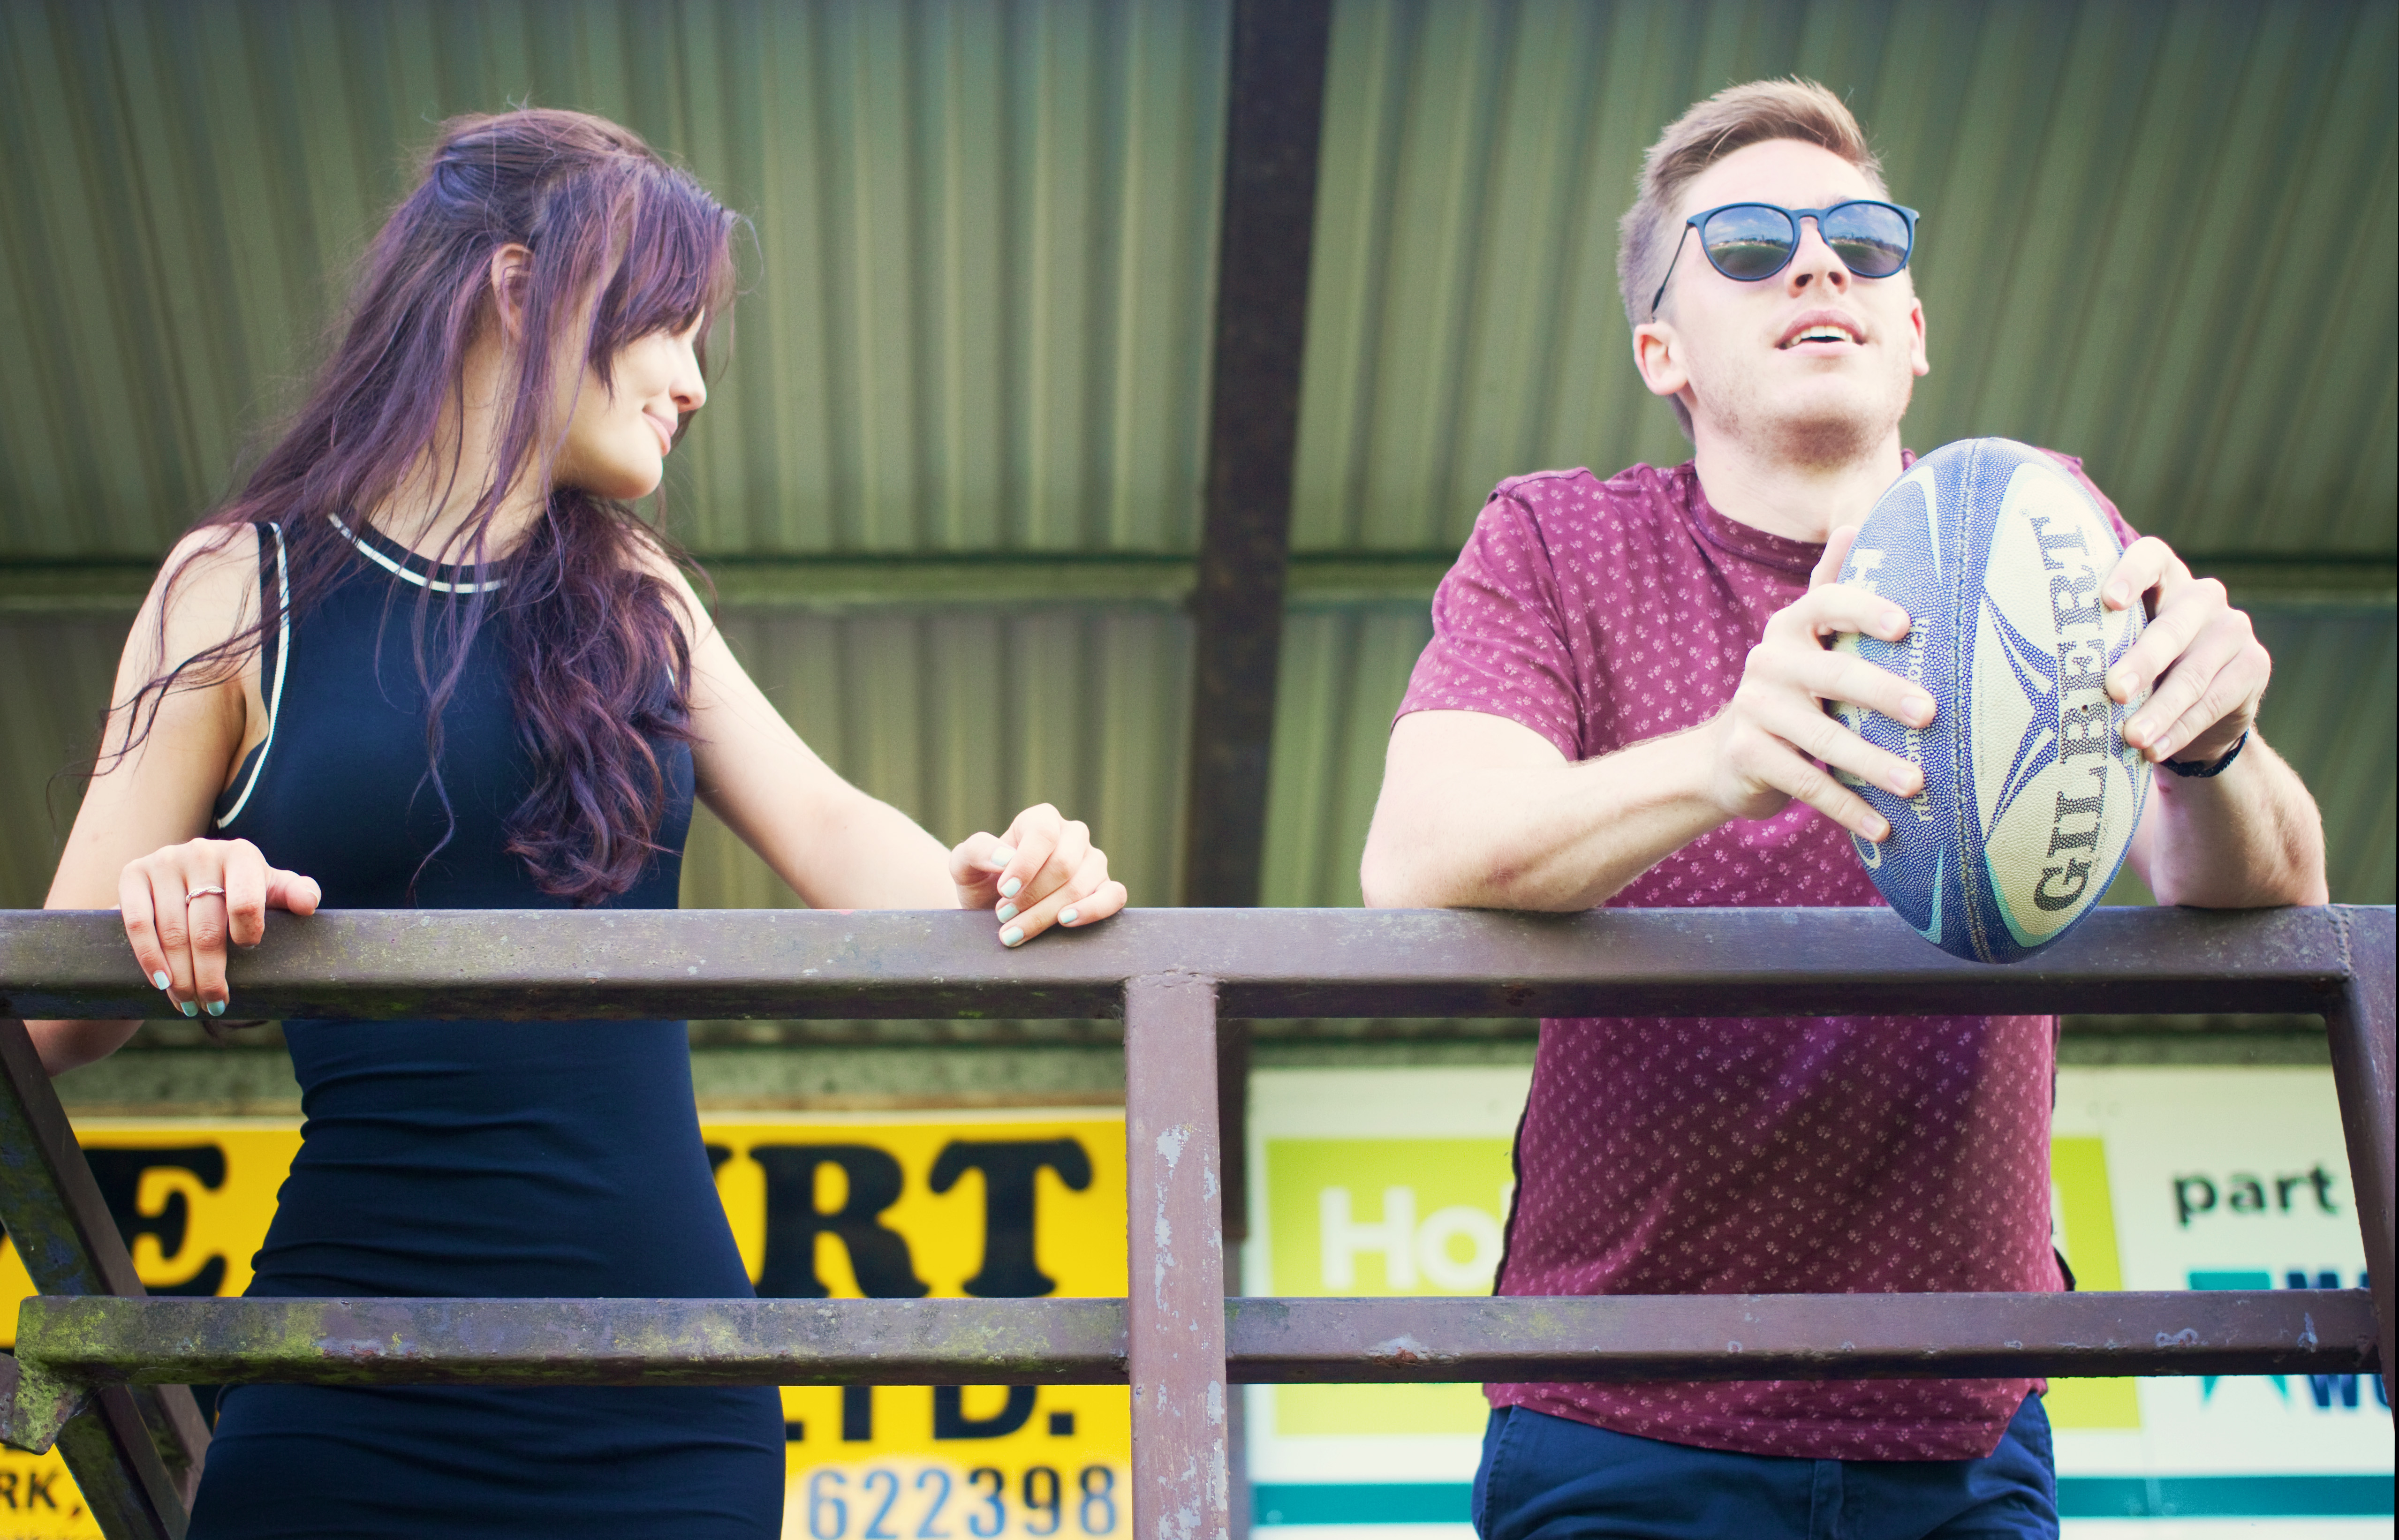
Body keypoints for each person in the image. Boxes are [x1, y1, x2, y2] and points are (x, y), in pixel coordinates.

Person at [26, 108, 1127, 1539]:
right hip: (346, 1380)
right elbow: (53, 1011)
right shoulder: (236, 587)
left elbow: (837, 827)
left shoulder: (636, 595)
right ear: (520, 287)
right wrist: (171, 891)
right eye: (668, 323)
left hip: (661, 1403)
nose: (694, 382)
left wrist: (1013, 870)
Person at [1359, 80, 2327, 1540]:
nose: (1817, 265)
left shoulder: (2041, 522)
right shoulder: (1562, 537)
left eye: (1864, 242)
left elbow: (2269, 883)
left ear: (1912, 329)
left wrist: (2215, 747)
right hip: (1618, 1408)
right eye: (1749, 245)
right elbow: (1416, 856)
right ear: (1660, 350)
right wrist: (1721, 759)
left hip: (1960, 1425)